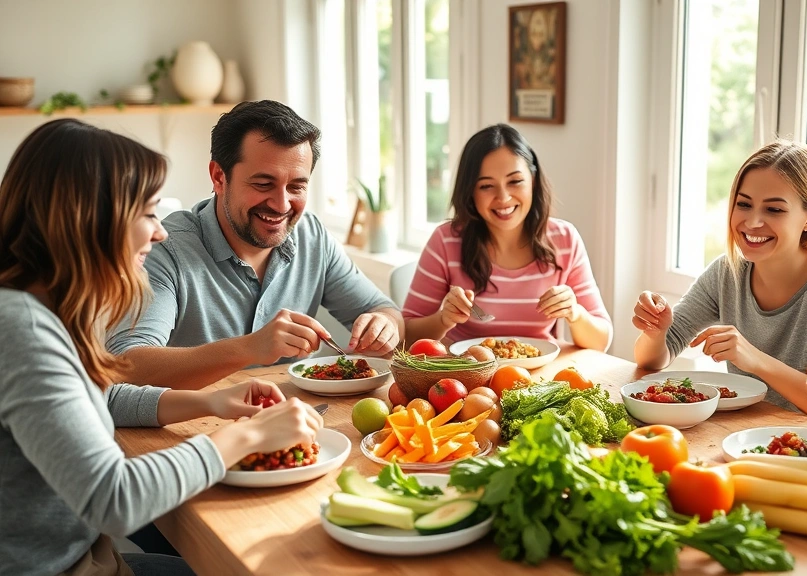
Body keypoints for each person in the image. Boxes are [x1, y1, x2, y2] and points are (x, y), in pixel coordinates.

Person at [0, 119, 323, 575]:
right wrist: (247, 436)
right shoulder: (22, 329)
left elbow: (89, 402)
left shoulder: (45, 311)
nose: (160, 232)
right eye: (148, 213)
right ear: (91, 218)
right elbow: (113, 500)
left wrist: (209, 402)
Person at [107, 100, 403, 390]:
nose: (281, 204)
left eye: (296, 186)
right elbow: (127, 363)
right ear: (219, 177)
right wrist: (249, 348)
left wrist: (383, 325)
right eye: (263, 184)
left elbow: (386, 311)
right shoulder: (166, 248)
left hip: (296, 424)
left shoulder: (312, 235)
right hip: (197, 429)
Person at [632, 140, 807, 415]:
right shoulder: (727, 272)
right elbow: (653, 359)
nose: (752, 223)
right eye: (744, 204)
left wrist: (756, 360)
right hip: (742, 437)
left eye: (774, 209)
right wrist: (655, 331)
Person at [402, 124, 612, 351]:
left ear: (532, 180)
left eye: (515, 181)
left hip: (542, 378)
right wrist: (443, 319)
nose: (503, 198)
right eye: (486, 186)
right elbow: (406, 335)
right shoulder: (446, 241)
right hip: (469, 377)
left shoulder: (565, 240)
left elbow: (601, 341)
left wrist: (575, 313)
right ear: (470, 192)